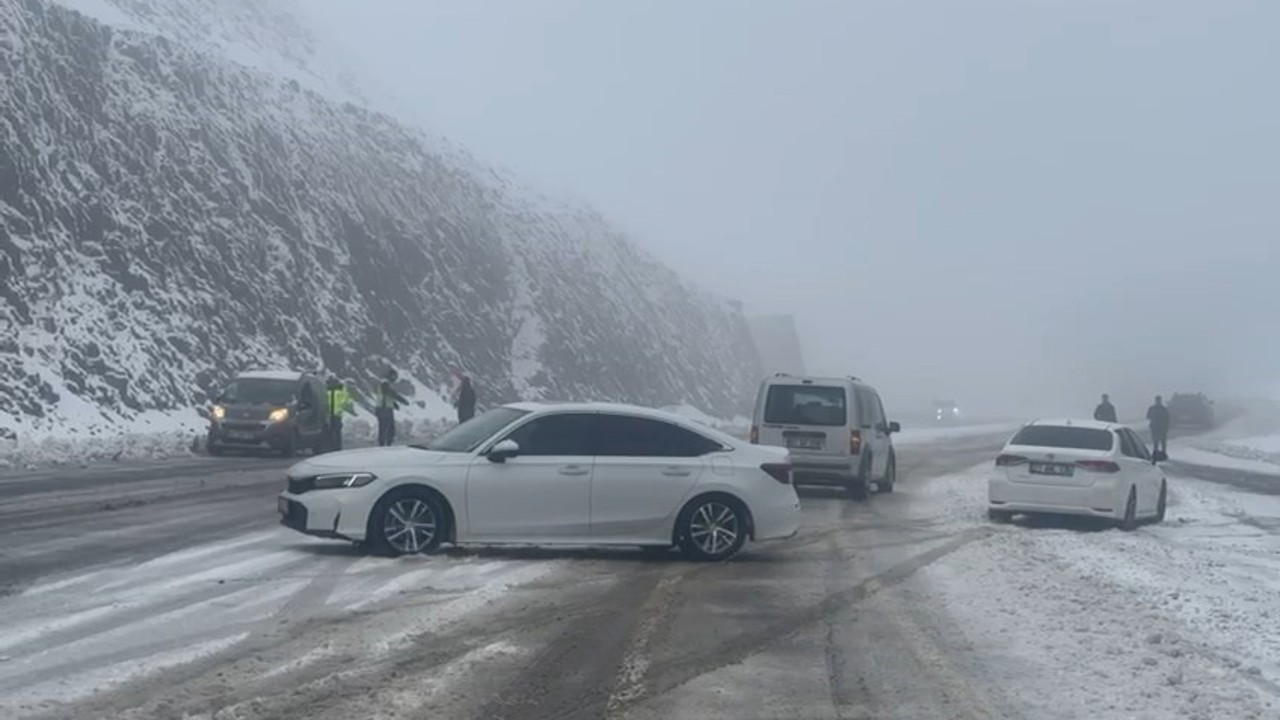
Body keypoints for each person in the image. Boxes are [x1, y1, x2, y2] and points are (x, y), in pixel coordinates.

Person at [376, 369, 409, 447]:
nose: (395, 379)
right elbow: (390, 393)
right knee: (388, 427)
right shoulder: (384, 383)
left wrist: (394, 404)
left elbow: (386, 396)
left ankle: (384, 443)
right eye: (394, 377)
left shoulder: (384, 383)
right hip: (384, 409)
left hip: (384, 408)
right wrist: (402, 400)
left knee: (385, 427)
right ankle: (386, 443)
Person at [325, 377, 356, 452]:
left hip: (337, 414)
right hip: (328, 414)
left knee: (336, 430)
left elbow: (345, 400)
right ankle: (330, 446)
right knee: (329, 431)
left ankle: (337, 447)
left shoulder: (341, 390)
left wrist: (340, 408)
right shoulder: (328, 390)